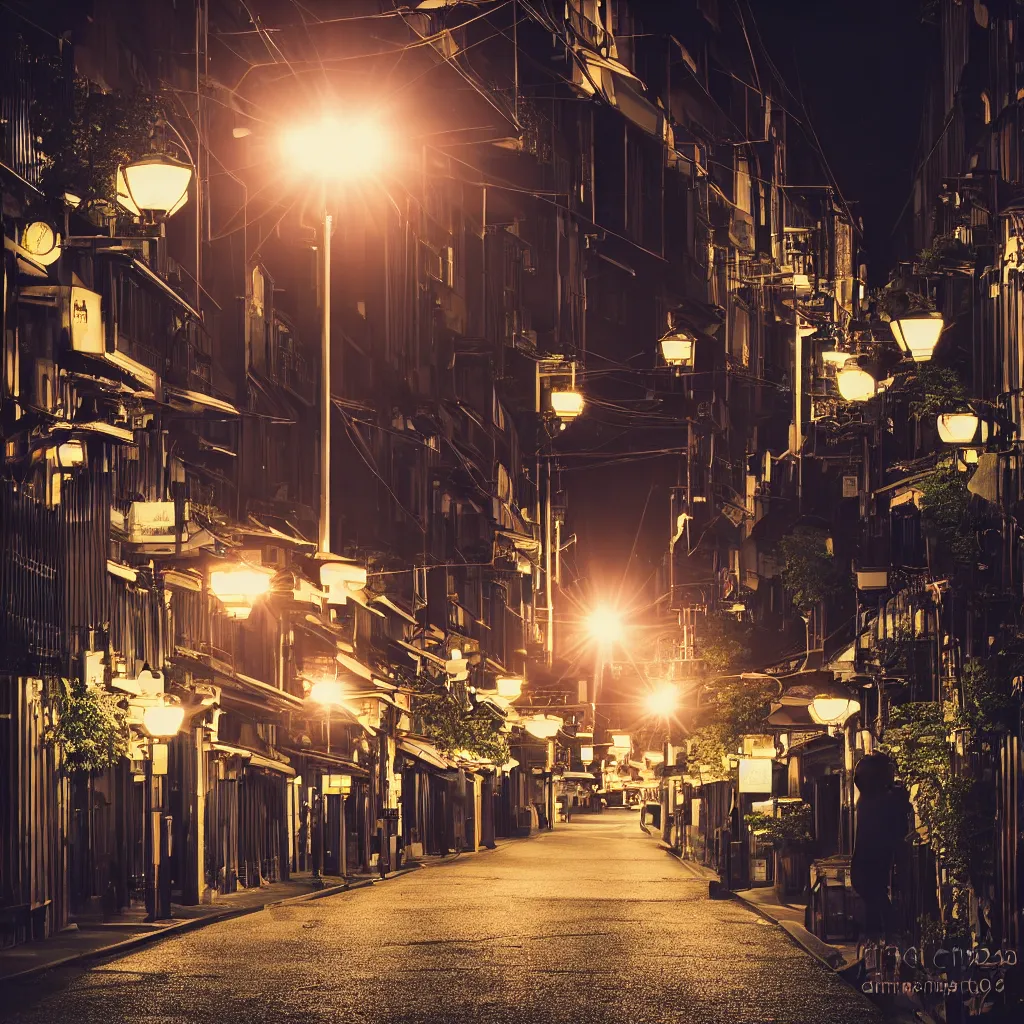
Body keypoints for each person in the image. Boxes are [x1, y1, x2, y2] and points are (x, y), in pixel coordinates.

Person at [851, 753, 911, 942]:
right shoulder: (881, 801)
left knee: (875, 909)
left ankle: (875, 950)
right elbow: (899, 823)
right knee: (880, 908)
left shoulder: (865, 800)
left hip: (865, 866)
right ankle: (883, 947)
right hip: (874, 866)